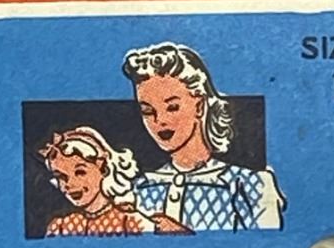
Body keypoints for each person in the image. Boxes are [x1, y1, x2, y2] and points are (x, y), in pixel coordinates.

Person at [123, 43, 285, 231]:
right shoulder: (138, 188)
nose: (160, 120)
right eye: (147, 111)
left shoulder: (251, 184)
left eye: (172, 107)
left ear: (199, 106)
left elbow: (269, 246)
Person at [39, 126, 189, 236]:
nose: (70, 184)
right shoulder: (59, 227)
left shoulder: (132, 222)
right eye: (61, 176)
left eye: (80, 172)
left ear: (103, 168)